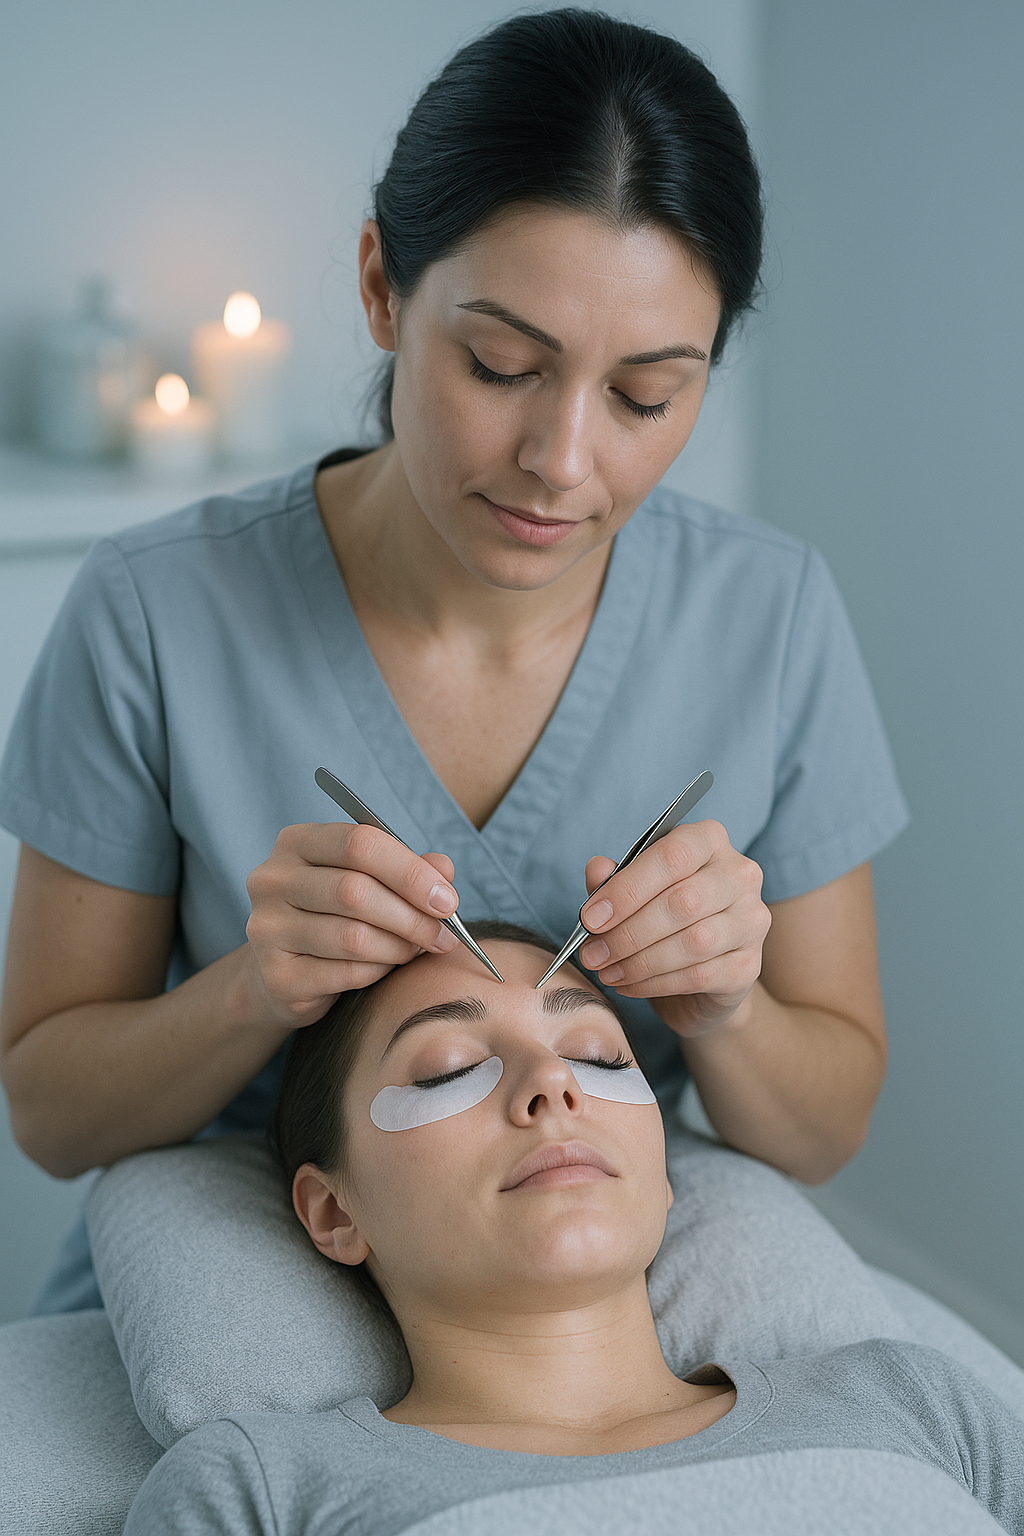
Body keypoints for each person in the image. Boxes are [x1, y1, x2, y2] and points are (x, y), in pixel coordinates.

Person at [0, 9, 907, 1315]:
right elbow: (51, 1115)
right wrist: (253, 990)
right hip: (231, 1290)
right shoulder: (155, 609)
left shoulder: (770, 616)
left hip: (579, 1298)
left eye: (647, 396)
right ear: (381, 286)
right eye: (499, 366)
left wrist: (727, 1013)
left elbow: (824, 1132)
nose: (564, 460)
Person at [122, 927, 1022, 1535]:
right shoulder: (262, 1490)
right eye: (449, 1070)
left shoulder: (910, 1403)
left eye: (598, 1054)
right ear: (334, 1211)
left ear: (665, 1176)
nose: (555, 1086)